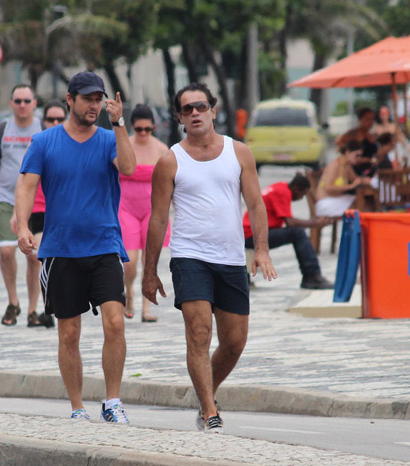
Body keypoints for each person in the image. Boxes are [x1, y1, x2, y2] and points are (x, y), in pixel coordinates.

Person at [142, 82, 277, 434]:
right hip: (189, 257)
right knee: (199, 333)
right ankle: (209, 412)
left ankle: (207, 394)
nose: (195, 113)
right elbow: (158, 219)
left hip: (230, 259)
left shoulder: (239, 153)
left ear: (214, 111)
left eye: (201, 106)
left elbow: (256, 204)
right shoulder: (170, 160)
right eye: (187, 109)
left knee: (234, 342)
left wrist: (261, 249)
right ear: (180, 118)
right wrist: (149, 272)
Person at [14, 71, 136, 423]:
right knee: (69, 332)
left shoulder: (109, 139)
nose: (94, 105)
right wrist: (22, 226)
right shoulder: (44, 142)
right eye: (87, 99)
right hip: (61, 250)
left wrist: (120, 123)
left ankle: (112, 402)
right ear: (70, 100)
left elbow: (128, 167)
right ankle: (77, 408)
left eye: (98, 99)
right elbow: (25, 188)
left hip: (104, 246)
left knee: (115, 323)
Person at [0, 84, 43, 327]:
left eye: (27, 100)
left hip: (36, 199)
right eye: (18, 101)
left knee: (34, 257)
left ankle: (33, 309)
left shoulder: (43, 129)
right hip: (6, 198)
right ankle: (13, 301)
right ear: (11, 103)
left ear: (34, 103)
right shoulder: (1, 129)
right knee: (6, 251)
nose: (22, 105)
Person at [9, 99, 69, 330]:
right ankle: (35, 309)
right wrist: (18, 215)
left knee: (44, 258)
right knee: (34, 260)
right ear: (42, 121)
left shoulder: (71, 144)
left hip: (60, 211)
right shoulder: (38, 144)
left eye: (59, 119)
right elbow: (22, 182)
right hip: (37, 209)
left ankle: (47, 307)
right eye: (50, 119)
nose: (54, 122)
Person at [118, 104, 170, 323]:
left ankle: (146, 307)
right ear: (132, 127)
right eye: (138, 129)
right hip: (125, 207)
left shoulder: (161, 149)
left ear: (153, 128)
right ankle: (128, 292)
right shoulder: (124, 145)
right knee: (130, 261)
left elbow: (171, 181)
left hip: (152, 209)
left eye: (147, 130)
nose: (142, 133)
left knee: (149, 261)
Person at [242, 174, 333, 290]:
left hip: (253, 232)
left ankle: (311, 276)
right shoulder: (283, 193)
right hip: (251, 235)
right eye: (303, 194)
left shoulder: (281, 186)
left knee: (297, 232)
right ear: (296, 189)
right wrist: (315, 223)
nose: (301, 198)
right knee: (298, 233)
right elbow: (291, 223)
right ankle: (312, 276)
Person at [314, 140, 370, 217]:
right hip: (326, 202)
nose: (359, 158)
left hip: (338, 200)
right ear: (347, 152)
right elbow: (328, 187)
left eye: (360, 156)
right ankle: (357, 226)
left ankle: (361, 225)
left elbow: (355, 180)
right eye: (357, 155)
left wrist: (365, 180)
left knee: (367, 202)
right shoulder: (334, 165)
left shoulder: (347, 166)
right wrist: (351, 186)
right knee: (359, 204)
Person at [337, 107, 378, 177]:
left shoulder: (371, 135)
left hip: (371, 170)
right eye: (367, 119)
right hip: (358, 171)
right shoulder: (354, 133)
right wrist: (353, 158)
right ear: (360, 119)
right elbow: (339, 142)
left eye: (372, 119)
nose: (370, 122)